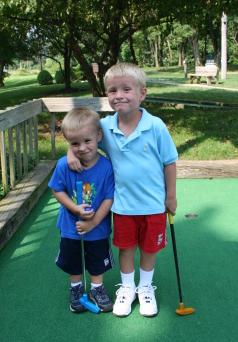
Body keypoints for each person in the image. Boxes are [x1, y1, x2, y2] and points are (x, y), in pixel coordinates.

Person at [67, 63, 178, 317]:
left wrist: (170, 196)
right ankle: (127, 289)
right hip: (123, 205)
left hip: (153, 205)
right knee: (126, 249)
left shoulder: (156, 126)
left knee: (149, 250)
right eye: (112, 90)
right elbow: (81, 137)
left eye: (126, 89)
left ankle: (145, 288)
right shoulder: (104, 127)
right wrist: (69, 150)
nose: (119, 95)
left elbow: (169, 161)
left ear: (142, 93)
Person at [48, 107, 115, 313]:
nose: (82, 148)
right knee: (74, 259)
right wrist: (75, 208)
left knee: (97, 259)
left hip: (98, 227)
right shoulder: (63, 165)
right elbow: (57, 190)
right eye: (74, 144)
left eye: (87, 141)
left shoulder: (106, 167)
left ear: (99, 136)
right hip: (71, 226)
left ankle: (97, 288)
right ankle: (76, 289)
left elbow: (109, 198)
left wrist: (93, 222)